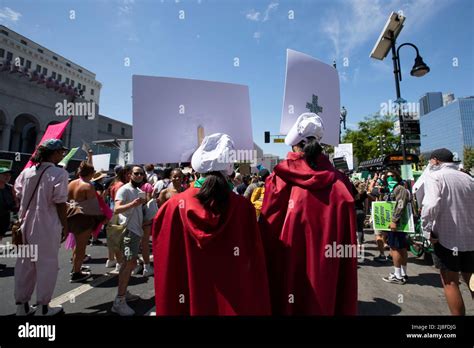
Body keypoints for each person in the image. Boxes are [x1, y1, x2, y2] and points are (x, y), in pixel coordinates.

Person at [152, 133, 271, 315]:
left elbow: (166, 264)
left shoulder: (173, 207)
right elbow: (253, 260)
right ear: (229, 169)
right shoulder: (243, 207)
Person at [259, 113, 357, 315]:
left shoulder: (280, 179)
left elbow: (268, 230)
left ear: (295, 146)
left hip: (289, 268)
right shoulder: (341, 183)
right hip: (329, 269)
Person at [14, 139, 69, 316]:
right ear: (53, 153)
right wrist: (65, 225)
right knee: (47, 264)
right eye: (61, 151)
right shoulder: (59, 173)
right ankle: (43, 307)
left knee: (25, 264)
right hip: (46, 222)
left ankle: (21, 306)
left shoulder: (27, 172)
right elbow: (60, 202)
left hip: (25, 222)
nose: (62, 154)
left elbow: (17, 194)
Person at [421, 148, 474, 315]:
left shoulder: (435, 176)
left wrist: (426, 230)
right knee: (471, 278)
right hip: (470, 237)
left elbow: (430, 205)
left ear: (435, 161)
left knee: (450, 282)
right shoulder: (468, 178)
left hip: (445, 238)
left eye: (430, 161)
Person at [111, 165, 146, 316]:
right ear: (130, 174)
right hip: (128, 231)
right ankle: (119, 301)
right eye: (136, 173)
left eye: (141, 174)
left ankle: (124, 293)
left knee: (130, 264)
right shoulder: (124, 189)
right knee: (128, 264)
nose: (139, 176)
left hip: (136, 231)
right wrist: (133, 204)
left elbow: (139, 208)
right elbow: (116, 209)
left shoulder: (139, 190)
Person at [67, 162, 106, 283]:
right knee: (81, 247)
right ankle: (76, 273)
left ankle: (75, 268)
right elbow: (93, 207)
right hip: (83, 218)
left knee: (76, 245)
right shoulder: (88, 186)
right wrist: (102, 217)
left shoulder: (71, 183)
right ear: (91, 173)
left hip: (71, 216)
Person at [381, 169, 410, 285]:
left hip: (397, 224)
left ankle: (398, 275)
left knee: (395, 248)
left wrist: (394, 220)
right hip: (396, 223)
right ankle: (402, 273)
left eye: (392, 176)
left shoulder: (400, 188)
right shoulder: (391, 189)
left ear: (397, 176)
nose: (390, 179)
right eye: (387, 177)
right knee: (400, 247)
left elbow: (400, 204)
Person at [105, 166, 130, 272]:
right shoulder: (121, 185)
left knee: (113, 238)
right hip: (118, 213)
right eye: (128, 174)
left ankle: (112, 260)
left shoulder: (114, 184)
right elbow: (120, 201)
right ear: (124, 174)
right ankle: (120, 263)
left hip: (112, 212)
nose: (130, 176)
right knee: (119, 240)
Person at [0, 167, 18, 271]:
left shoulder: (9, 188)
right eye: (4, 175)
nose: (7, 177)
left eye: (9, 175)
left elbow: (14, 203)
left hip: (4, 218)